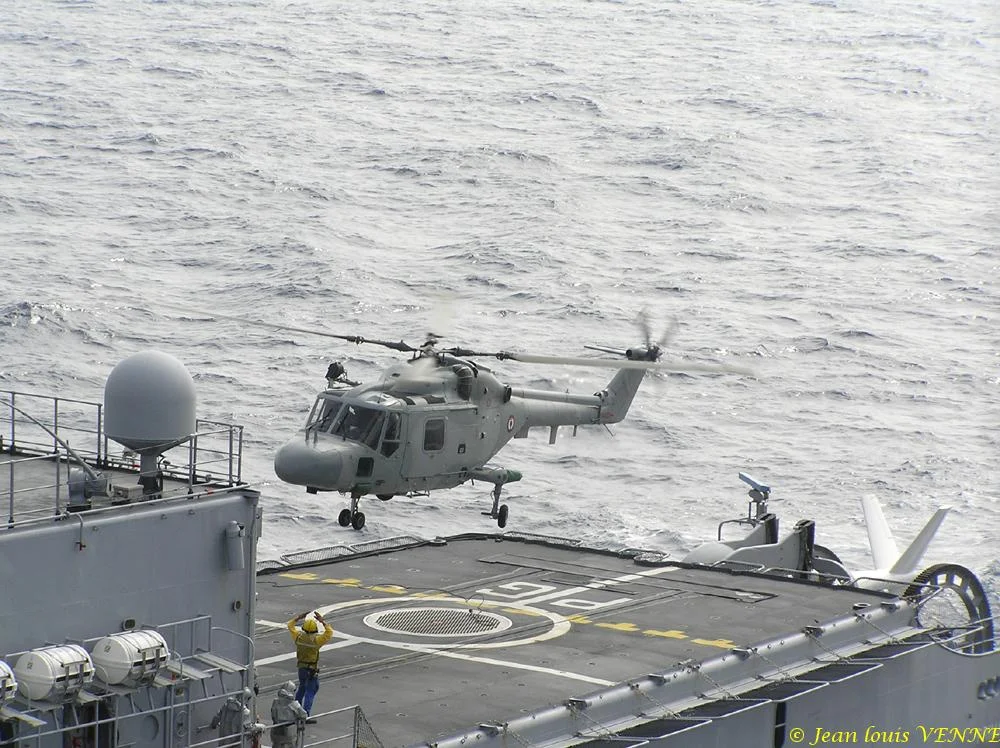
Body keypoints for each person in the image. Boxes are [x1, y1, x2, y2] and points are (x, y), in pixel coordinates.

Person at [286, 610, 333, 718]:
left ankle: (296, 711)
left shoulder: (298, 637)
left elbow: (290, 625)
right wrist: (322, 621)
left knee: (301, 688)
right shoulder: (317, 640)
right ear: (315, 630)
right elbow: (329, 632)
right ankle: (305, 714)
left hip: (301, 667)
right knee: (311, 691)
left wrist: (298, 617)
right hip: (311, 669)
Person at [269, 681, 307, 748]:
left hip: (276, 729)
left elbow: (273, 715)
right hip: (289, 732)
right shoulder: (293, 703)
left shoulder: (275, 701)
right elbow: (303, 715)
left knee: (276, 745)